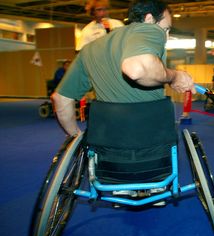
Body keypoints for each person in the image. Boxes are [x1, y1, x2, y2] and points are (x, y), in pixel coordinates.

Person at [52, 0, 195, 137]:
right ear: (149, 19)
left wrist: (75, 135)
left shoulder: (88, 50)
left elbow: (60, 99)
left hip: (106, 145)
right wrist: (175, 77)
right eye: (166, 29)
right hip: (152, 142)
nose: (166, 37)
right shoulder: (150, 29)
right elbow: (136, 69)